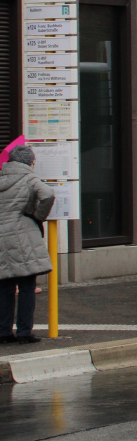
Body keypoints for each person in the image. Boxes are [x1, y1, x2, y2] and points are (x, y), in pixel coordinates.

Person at [0, 145, 55, 344]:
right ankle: (24, 332)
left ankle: (3, 332)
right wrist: (37, 216)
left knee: (5, 286)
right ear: (28, 162)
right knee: (26, 285)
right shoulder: (29, 178)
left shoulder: (2, 176)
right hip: (22, 236)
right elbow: (47, 194)